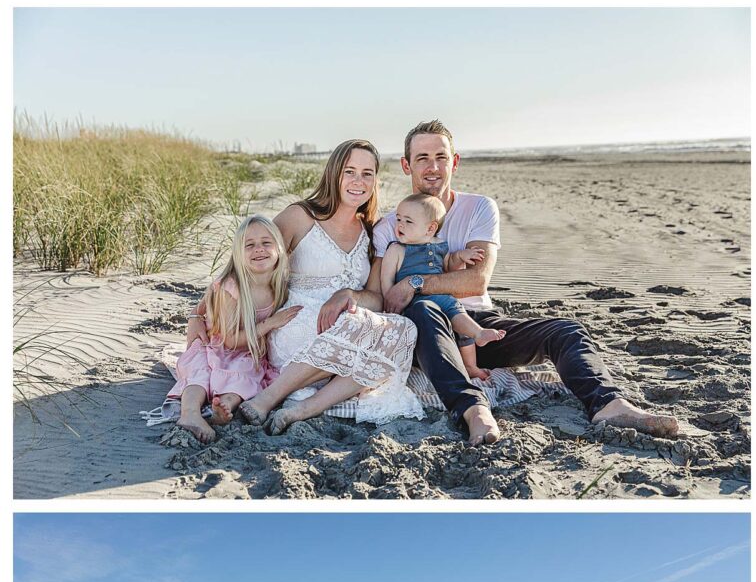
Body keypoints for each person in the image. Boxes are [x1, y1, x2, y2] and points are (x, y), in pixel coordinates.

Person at [372, 119, 680, 447]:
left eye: (441, 157)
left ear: (455, 162)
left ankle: (609, 406)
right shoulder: (390, 227)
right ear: (407, 165)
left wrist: (415, 282)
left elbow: (476, 281)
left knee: (566, 331)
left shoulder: (478, 207)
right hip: (426, 332)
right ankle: (474, 410)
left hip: (478, 322)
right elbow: (386, 296)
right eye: (422, 158)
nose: (433, 167)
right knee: (423, 308)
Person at [235, 139, 421, 433]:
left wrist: (348, 295)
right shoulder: (300, 216)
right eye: (350, 171)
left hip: (349, 325)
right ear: (334, 174)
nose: (358, 181)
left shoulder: (372, 230)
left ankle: (304, 409)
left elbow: (375, 297)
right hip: (300, 323)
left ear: (375, 180)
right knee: (355, 324)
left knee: (403, 329)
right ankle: (267, 398)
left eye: (367, 173)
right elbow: (251, 256)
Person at [171, 215, 302, 444]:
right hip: (216, 344)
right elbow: (229, 341)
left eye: (266, 243)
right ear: (238, 254)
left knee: (246, 375)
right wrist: (270, 324)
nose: (258, 250)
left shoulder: (280, 282)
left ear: (280, 249)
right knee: (199, 374)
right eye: (249, 245)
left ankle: (224, 408)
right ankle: (190, 413)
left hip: (247, 350)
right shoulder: (232, 287)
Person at [381, 193, 504, 380]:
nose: (400, 225)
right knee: (446, 319)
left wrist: (461, 256)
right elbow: (386, 281)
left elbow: (448, 267)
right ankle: (476, 335)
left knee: (460, 318)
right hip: (415, 303)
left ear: (430, 228)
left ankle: (471, 361)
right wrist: (390, 303)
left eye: (408, 221)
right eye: (398, 219)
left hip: (440, 296)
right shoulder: (396, 250)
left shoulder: (439, 245)